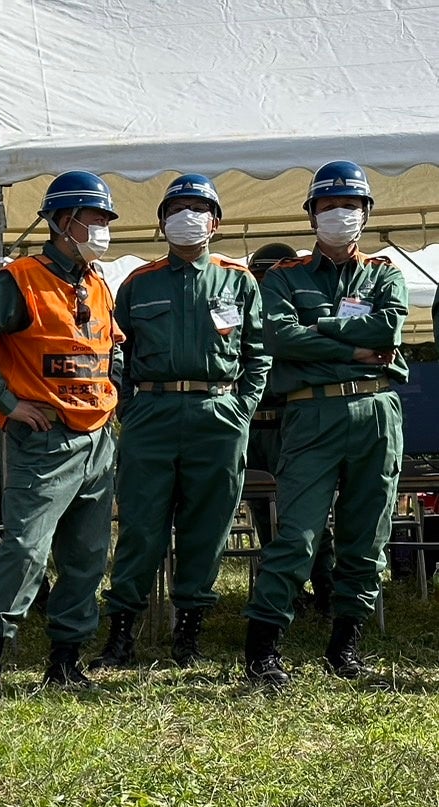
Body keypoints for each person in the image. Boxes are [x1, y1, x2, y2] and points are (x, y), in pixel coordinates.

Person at [0, 171, 123, 695]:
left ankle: (65, 662)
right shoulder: (20, 279)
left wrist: (113, 385)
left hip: (98, 439)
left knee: (88, 556)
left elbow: (109, 346)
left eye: (103, 219)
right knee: (26, 549)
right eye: (93, 218)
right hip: (46, 440)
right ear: (62, 222)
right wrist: (7, 402)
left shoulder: (96, 282)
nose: (102, 228)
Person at [91, 174, 269, 668]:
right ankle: (121, 635)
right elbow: (114, 352)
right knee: (141, 527)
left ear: (215, 222)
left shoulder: (240, 280)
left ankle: (188, 635)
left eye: (198, 208)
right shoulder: (137, 283)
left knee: (206, 527)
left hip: (219, 416)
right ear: (161, 221)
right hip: (151, 416)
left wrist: (243, 407)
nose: (186, 217)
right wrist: (128, 405)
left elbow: (259, 354)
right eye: (176, 209)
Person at [244, 161, 409, 686]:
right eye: (328, 205)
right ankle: (263, 652)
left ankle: (345, 649)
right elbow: (277, 336)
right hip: (312, 413)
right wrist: (355, 346)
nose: (340, 214)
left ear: (366, 213)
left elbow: (388, 329)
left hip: (377, 413)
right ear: (311, 213)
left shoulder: (385, 272)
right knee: (297, 535)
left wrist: (322, 327)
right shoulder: (284, 276)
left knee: (368, 536)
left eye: (351, 205)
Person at [245, 242, 335, 613]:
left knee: (305, 513)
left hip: (292, 422)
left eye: (270, 273)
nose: (264, 280)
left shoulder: (295, 313)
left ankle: (327, 588)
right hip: (252, 427)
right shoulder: (240, 310)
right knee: (263, 514)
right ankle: (285, 591)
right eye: (259, 274)